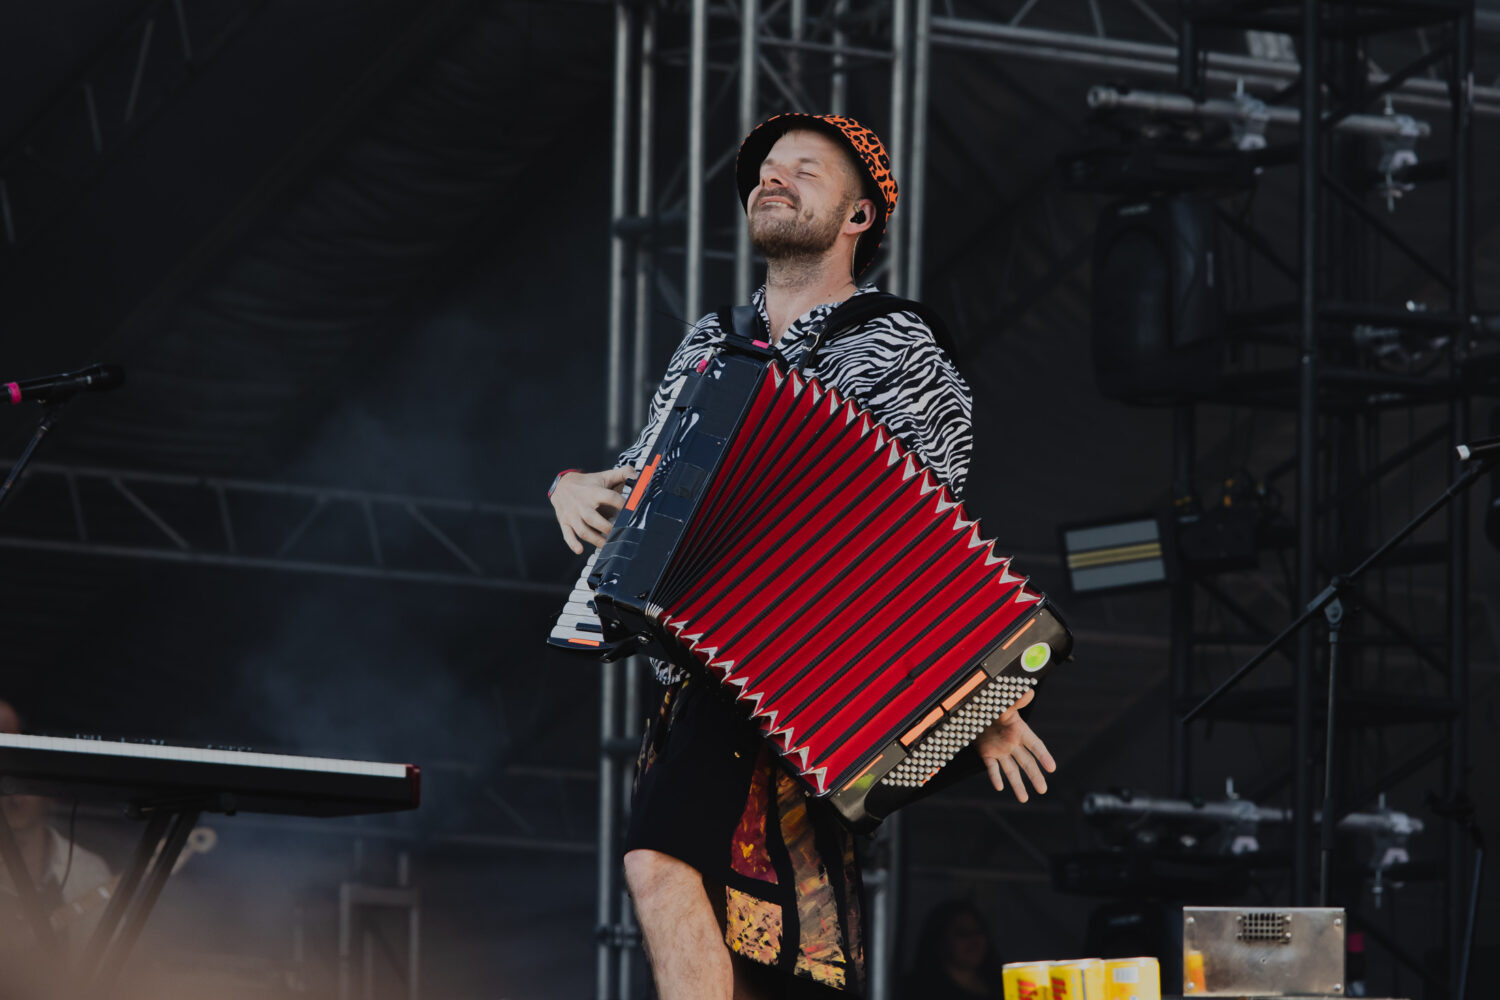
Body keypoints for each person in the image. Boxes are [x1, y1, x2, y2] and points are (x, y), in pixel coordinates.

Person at [549, 113, 1056, 999]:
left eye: (804, 171)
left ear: (858, 217)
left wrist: (976, 694)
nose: (772, 180)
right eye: (765, 172)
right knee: (759, 940)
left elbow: (920, 534)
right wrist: (567, 487)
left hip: (820, 672)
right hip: (710, 665)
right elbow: (645, 482)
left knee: (659, 865)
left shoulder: (900, 348)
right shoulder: (710, 343)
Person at [0, 700, 114, 959]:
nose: (15, 797)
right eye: (4, 780)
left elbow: (114, 969)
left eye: (26, 781)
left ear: (49, 791)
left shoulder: (89, 872)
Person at [901, 898, 1005, 999]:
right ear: (940, 940)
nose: (973, 940)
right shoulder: (920, 989)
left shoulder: (999, 983)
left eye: (978, 931)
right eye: (962, 933)